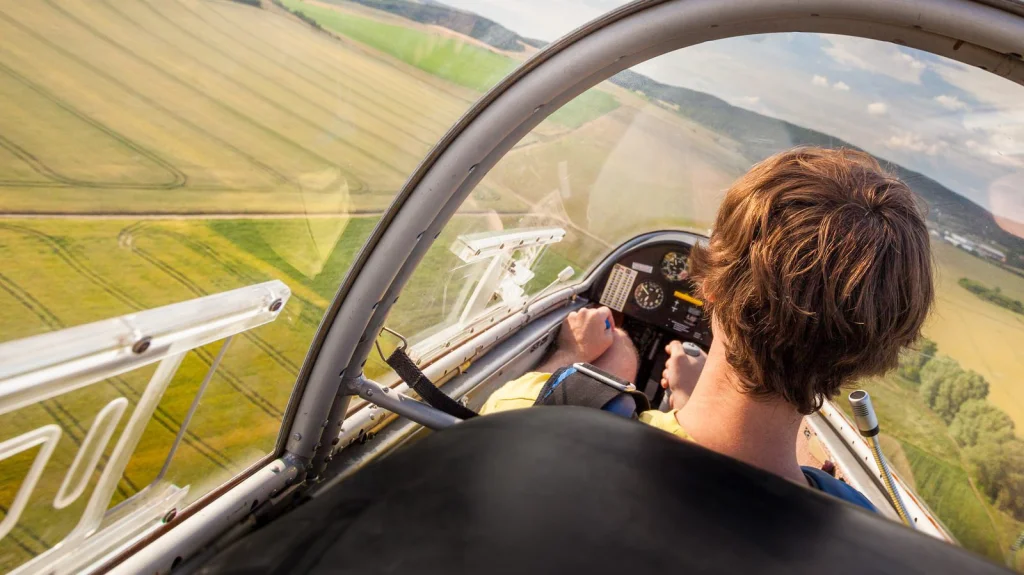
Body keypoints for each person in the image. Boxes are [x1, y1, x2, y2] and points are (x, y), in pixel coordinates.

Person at [481, 147, 934, 510]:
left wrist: (571, 355)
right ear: (870, 355)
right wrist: (687, 396)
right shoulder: (862, 529)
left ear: (711, 284)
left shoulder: (537, 411)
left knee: (617, 350)